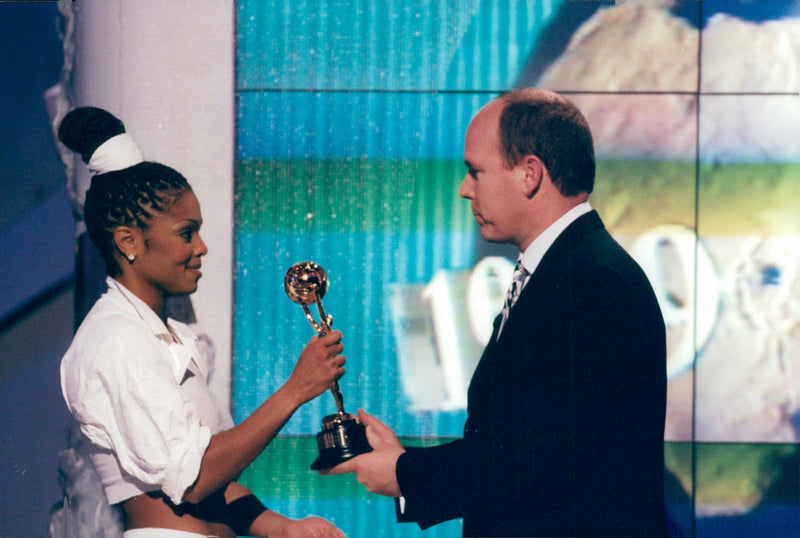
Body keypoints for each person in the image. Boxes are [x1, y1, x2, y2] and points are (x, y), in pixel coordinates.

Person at [323, 88, 668, 537]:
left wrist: (408, 473)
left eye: (475, 172)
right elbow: (523, 439)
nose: (464, 190)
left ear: (529, 174)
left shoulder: (593, 283)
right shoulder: (565, 271)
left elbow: (545, 459)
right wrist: (403, 461)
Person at [58, 107, 346, 538]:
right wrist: (296, 389)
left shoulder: (166, 337)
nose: (202, 247)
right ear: (129, 242)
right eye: (186, 233)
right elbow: (192, 481)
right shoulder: (115, 340)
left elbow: (216, 479)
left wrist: (283, 528)